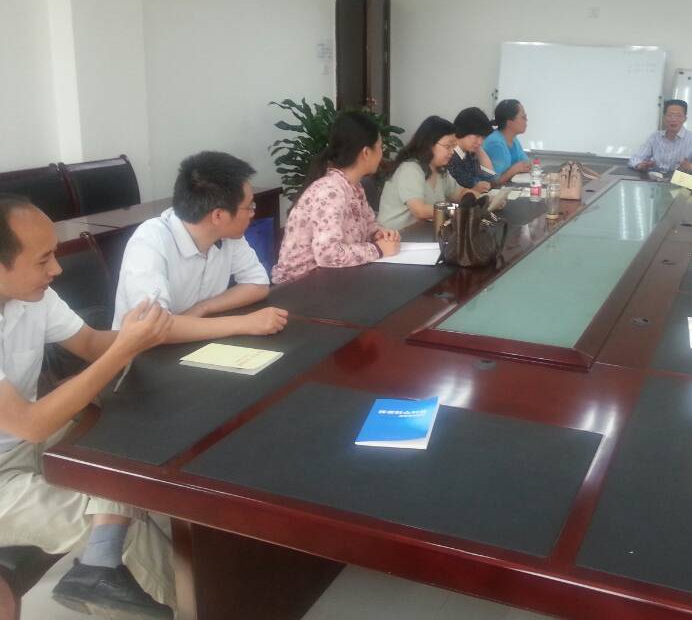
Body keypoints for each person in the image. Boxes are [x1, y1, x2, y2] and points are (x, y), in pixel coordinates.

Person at [0, 195, 176, 618]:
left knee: (127, 431)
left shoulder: (33, 296)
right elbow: (29, 423)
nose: (57, 269)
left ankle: (102, 565)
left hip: (24, 445)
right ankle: (196, 605)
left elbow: (92, 343)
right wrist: (125, 349)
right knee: (129, 531)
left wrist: (145, 332)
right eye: (43, 259)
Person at [113, 151, 288, 341]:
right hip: (141, 353)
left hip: (194, 342)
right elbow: (152, 327)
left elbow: (258, 284)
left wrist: (203, 308)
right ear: (218, 216)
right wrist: (245, 323)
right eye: (249, 207)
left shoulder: (228, 235)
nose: (252, 213)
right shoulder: (149, 242)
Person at [272, 112, 401, 283]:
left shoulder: (354, 185)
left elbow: (368, 222)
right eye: (380, 147)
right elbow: (328, 255)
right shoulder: (330, 191)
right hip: (300, 286)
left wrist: (379, 233)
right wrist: (377, 249)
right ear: (366, 152)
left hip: (334, 278)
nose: (382, 153)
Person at [377, 116, 475, 230]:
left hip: (421, 232)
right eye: (448, 146)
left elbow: (459, 193)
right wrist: (456, 209)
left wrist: (478, 198)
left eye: (453, 147)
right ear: (429, 144)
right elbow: (419, 211)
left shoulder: (439, 169)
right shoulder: (410, 169)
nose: (452, 152)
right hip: (396, 235)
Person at [628, 99, 692, 174]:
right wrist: (640, 165)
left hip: (680, 184)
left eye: (678, 116)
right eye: (670, 115)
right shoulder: (655, 137)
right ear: (664, 117)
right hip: (656, 181)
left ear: (685, 119)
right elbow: (635, 159)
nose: (673, 119)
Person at [448, 107, 497, 192]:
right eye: (477, 136)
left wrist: (477, 148)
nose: (480, 142)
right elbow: (470, 184)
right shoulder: (451, 157)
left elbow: (489, 178)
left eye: (483, 137)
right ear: (464, 130)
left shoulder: (468, 153)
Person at [483, 99, 532, 184]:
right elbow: (493, 183)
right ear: (509, 123)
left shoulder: (513, 139)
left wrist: (526, 166)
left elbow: (526, 163)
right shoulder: (495, 143)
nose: (526, 120)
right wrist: (514, 169)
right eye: (523, 117)